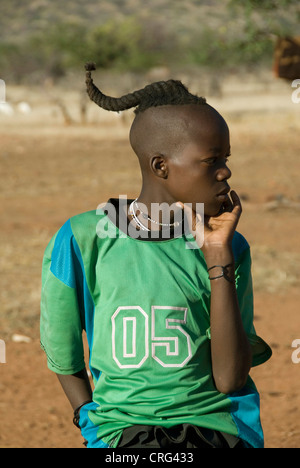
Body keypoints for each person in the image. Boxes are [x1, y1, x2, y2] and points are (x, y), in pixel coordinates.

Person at [40, 63, 272, 449]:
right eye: (212, 160)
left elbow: (230, 380)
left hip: (216, 429)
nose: (225, 171)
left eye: (226, 158)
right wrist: (87, 416)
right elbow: (62, 350)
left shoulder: (230, 246)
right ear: (160, 166)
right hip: (122, 434)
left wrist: (218, 260)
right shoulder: (83, 239)